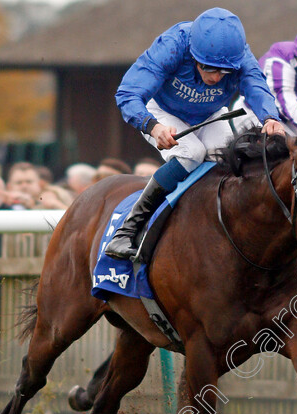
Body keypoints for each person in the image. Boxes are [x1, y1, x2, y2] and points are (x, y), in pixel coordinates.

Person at [108, 7, 284, 260]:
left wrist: (270, 118)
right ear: (193, 54)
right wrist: (152, 125)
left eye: (224, 72)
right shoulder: (173, 45)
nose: (215, 77)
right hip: (161, 111)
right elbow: (127, 93)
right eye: (208, 68)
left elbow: (256, 86)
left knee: (228, 161)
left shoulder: (239, 55)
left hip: (210, 114)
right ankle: (127, 230)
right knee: (192, 153)